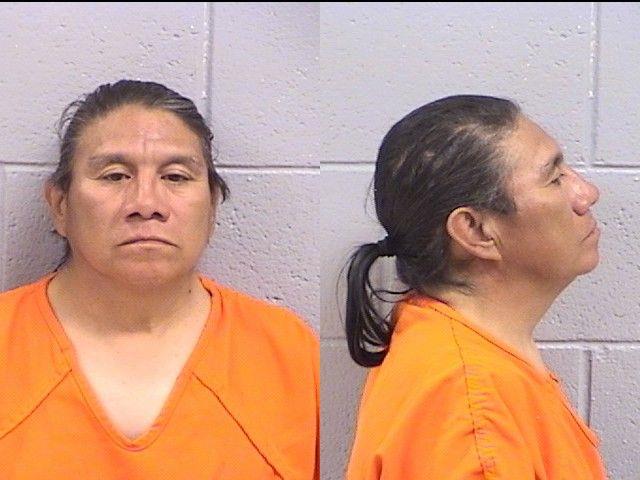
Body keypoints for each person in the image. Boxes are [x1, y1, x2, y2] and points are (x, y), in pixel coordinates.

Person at [0, 80, 318, 480]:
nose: (146, 204)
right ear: (60, 205)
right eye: (115, 176)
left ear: (212, 206)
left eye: (176, 177)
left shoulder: (289, 354)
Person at [344, 95, 607, 479]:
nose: (587, 194)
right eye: (554, 179)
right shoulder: (473, 417)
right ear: (475, 231)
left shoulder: (446, 343)